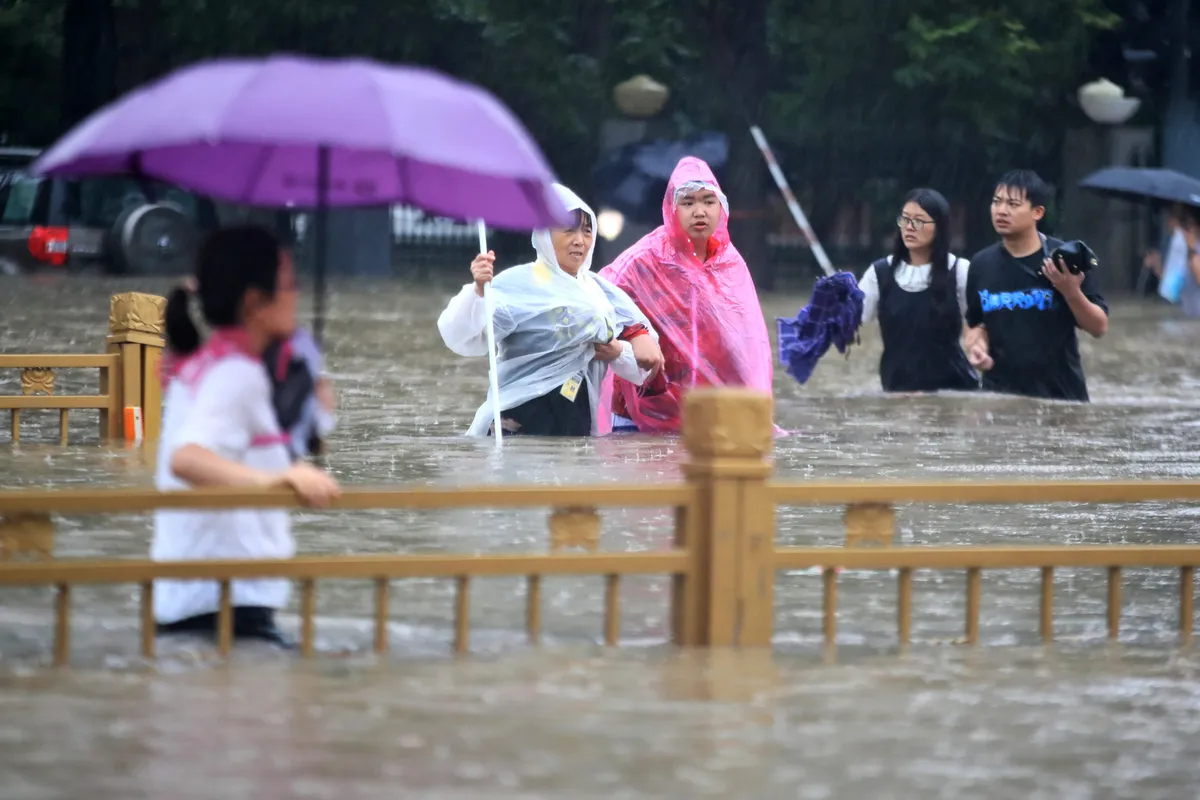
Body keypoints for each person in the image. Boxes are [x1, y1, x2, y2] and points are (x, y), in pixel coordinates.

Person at [154, 226, 341, 647]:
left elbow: (255, 450)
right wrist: (276, 481)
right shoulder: (236, 375)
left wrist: (314, 405)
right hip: (222, 607)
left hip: (208, 599)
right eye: (290, 285)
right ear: (256, 301)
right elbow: (188, 459)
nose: (297, 294)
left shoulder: (214, 365)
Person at [437, 183, 665, 437]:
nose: (580, 241)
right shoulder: (518, 283)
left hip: (575, 417)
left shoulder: (600, 291)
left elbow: (644, 366)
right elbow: (461, 337)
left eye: (587, 231)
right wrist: (478, 292)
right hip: (520, 416)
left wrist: (618, 351)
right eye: (568, 231)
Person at [598, 157, 773, 433]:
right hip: (640, 414)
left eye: (708, 201)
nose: (699, 211)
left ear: (722, 208)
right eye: (688, 202)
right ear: (672, 208)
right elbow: (599, 295)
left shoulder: (730, 264)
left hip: (706, 415)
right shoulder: (646, 258)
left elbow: (748, 342)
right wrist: (636, 332)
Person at [963, 170, 1109, 402]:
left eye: (1012, 204)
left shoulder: (1065, 259)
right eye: (996, 202)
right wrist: (976, 346)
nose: (1001, 210)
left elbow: (1098, 327)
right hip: (1000, 399)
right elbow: (975, 323)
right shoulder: (981, 265)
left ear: (1037, 212)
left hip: (1061, 398)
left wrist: (1071, 291)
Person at [859, 188, 977, 392]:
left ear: (940, 227)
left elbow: (980, 322)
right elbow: (854, 318)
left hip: (953, 393)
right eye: (905, 219)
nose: (909, 227)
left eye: (919, 221)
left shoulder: (959, 271)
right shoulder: (879, 273)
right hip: (896, 390)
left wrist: (977, 345)